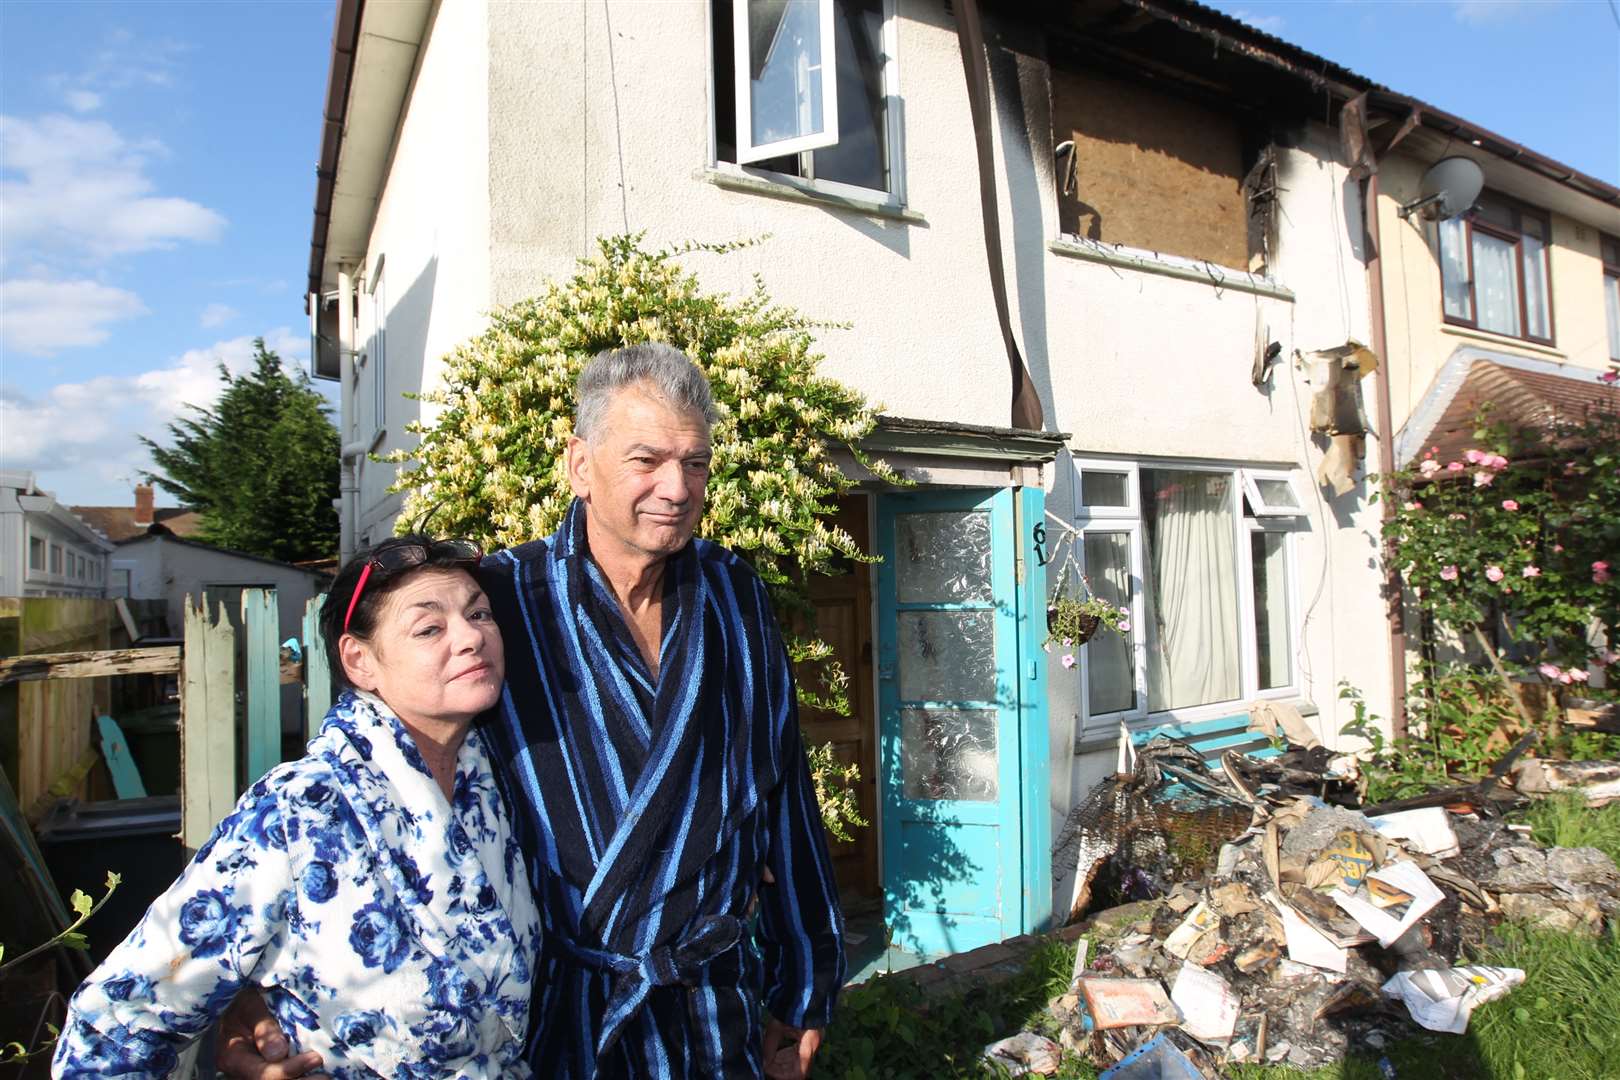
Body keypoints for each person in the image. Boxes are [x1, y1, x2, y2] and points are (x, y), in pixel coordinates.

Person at [222, 343, 846, 1080]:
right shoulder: (499, 600)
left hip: (715, 1011)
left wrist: (807, 978)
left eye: (696, 463)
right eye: (646, 460)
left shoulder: (733, 592)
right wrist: (252, 987)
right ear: (580, 465)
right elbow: (372, 786)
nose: (677, 487)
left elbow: (783, 791)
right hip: (558, 1016)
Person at [53, 537, 542, 1079]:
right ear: (359, 661)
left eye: (479, 613)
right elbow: (114, 1022)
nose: (472, 636)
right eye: (430, 628)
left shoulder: (494, 786)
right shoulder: (300, 811)